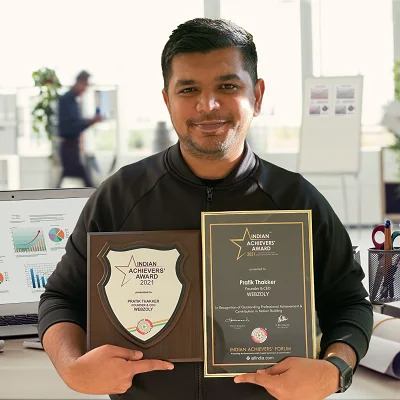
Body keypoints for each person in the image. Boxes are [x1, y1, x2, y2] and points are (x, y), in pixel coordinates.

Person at [39, 18, 372, 400]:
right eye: (189, 89)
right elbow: (61, 299)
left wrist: (335, 372)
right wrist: (71, 368)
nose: (208, 105)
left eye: (227, 86)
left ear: (257, 95)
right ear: (167, 100)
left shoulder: (297, 201)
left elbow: (349, 303)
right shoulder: (120, 196)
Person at [56, 70, 103, 188]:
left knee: (72, 174)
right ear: (79, 83)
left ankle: (94, 192)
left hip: (72, 146)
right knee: (82, 175)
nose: (85, 90)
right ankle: (96, 193)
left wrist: (89, 122)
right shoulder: (66, 100)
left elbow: (75, 124)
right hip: (68, 146)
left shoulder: (73, 100)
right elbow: (69, 127)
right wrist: (90, 121)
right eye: (85, 86)